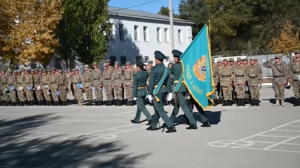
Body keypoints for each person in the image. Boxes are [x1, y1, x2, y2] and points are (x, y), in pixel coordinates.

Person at [147, 51, 176, 133]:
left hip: (157, 92)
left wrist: (149, 94)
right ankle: (153, 125)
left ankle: (170, 126)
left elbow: (151, 82)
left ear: (156, 60)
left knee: (160, 109)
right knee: (158, 109)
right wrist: (170, 92)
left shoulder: (154, 69)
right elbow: (168, 82)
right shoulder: (166, 70)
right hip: (164, 91)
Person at [169, 50, 198, 129]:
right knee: (177, 105)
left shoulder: (174, 66)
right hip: (184, 86)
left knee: (183, 105)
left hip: (178, 87)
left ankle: (193, 122)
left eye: (176, 57)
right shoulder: (184, 65)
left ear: (178, 58)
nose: (174, 58)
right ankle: (170, 121)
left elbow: (170, 73)